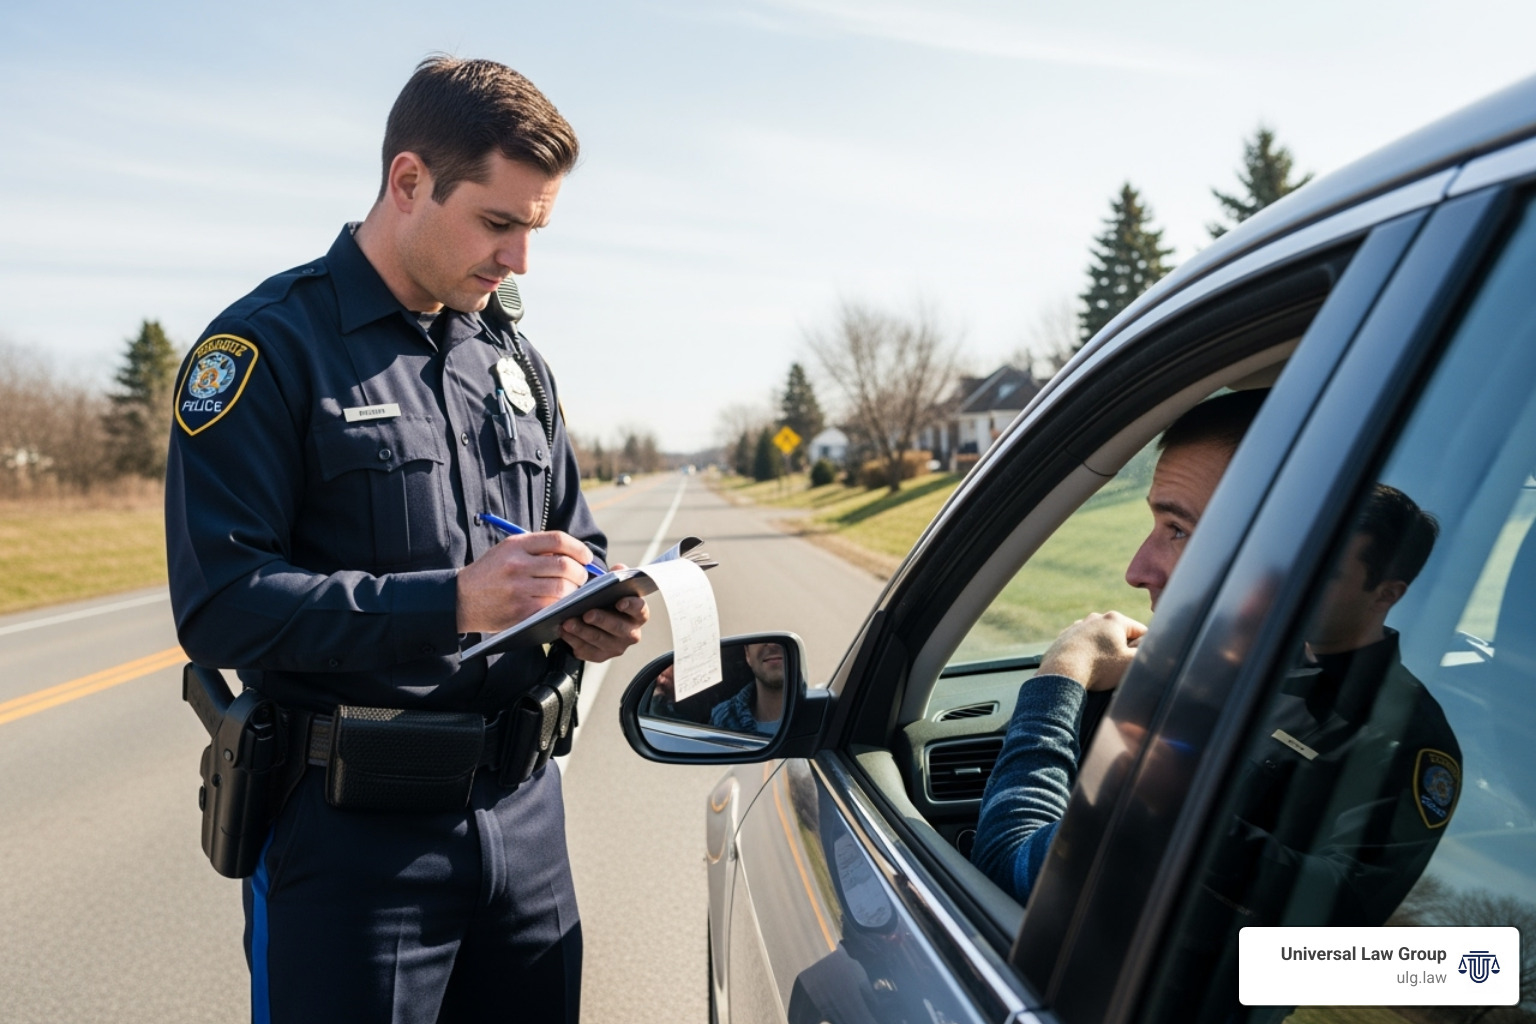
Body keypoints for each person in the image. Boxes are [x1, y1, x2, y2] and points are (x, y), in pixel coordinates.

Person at [164, 57, 646, 1023]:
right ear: (409, 182)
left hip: (527, 826)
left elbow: (571, 536)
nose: (519, 261)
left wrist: (590, 604)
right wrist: (455, 602)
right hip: (354, 844)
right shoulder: (265, 348)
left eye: (534, 230)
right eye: (498, 223)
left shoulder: (512, 359)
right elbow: (220, 606)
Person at [972, 391, 1459, 927]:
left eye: (1179, 530)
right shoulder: (1233, 660)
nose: (1136, 571)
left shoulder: (1409, 739)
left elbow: (1009, 865)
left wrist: (1063, 675)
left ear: (1386, 593)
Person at [711, 641, 787, 734]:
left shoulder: (809, 715)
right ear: (747, 653)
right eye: (760, 634)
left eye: (780, 631)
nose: (771, 644)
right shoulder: (723, 719)